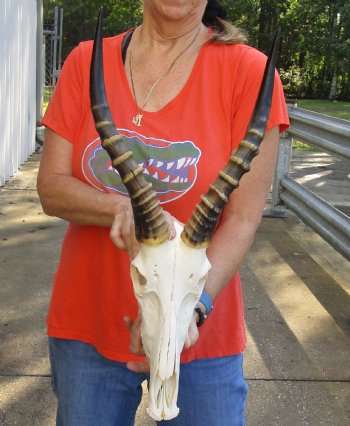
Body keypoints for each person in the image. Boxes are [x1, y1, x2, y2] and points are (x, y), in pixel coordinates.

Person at [37, 0, 289, 425]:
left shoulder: (250, 73)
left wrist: (186, 313)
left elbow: (243, 218)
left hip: (198, 330)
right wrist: (123, 208)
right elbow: (51, 187)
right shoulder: (87, 61)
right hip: (90, 323)